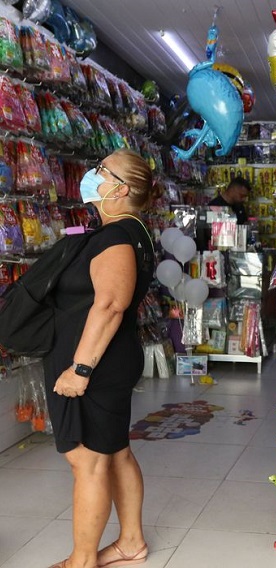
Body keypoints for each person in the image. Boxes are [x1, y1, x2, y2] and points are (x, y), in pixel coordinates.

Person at [45, 149, 157, 568]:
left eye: (101, 170)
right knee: (115, 451)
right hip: (108, 358)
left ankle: (82, 560)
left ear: (122, 189)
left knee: (88, 462)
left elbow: (110, 305)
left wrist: (80, 369)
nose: (92, 175)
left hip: (96, 364)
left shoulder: (117, 236)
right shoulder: (130, 231)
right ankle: (131, 543)